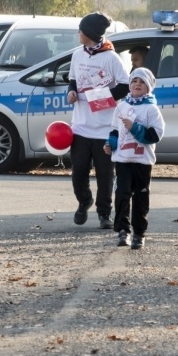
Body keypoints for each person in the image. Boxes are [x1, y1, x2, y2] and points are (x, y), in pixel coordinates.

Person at [67, 12, 130, 228]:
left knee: (105, 176)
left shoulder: (111, 58)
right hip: (80, 128)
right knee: (78, 173)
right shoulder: (77, 55)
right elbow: (73, 80)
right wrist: (72, 92)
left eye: (82, 31)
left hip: (104, 129)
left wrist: (101, 99)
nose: (79, 34)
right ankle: (84, 201)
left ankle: (104, 214)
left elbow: (125, 86)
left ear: (91, 34)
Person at [104, 67, 165, 249]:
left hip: (142, 162)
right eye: (134, 81)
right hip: (122, 160)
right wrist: (110, 144)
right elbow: (115, 130)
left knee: (140, 197)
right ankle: (123, 231)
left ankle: (139, 233)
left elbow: (155, 135)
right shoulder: (121, 107)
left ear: (148, 87)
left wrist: (135, 127)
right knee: (122, 193)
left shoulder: (151, 109)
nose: (137, 85)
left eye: (142, 82)